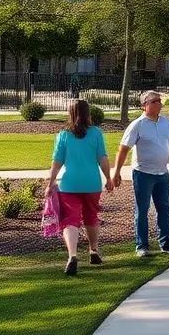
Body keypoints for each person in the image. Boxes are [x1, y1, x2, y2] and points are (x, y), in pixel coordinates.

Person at [112, 90, 169, 257]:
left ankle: (166, 243)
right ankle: (142, 246)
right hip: (142, 174)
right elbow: (123, 149)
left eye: (159, 101)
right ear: (145, 105)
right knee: (142, 210)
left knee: (164, 208)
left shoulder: (166, 123)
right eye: (155, 101)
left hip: (162, 173)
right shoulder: (137, 125)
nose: (159, 104)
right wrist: (117, 172)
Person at [44, 100, 113, 276]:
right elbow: (102, 158)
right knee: (91, 216)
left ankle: (72, 255)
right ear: (87, 113)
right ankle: (93, 250)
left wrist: (50, 183)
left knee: (70, 221)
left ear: (70, 113)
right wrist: (108, 178)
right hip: (92, 183)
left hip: (69, 184)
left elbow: (57, 162)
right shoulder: (95, 133)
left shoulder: (63, 135)